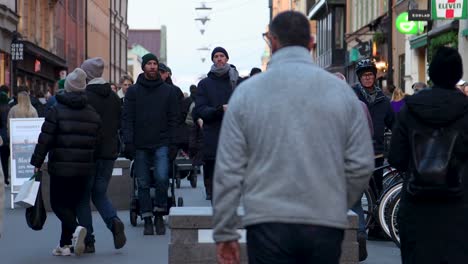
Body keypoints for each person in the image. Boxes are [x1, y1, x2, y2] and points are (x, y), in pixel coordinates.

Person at [212, 11, 374, 264]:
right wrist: (336, 201)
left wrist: (225, 231)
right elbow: (362, 163)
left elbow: (228, 169)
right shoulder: (341, 93)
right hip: (324, 221)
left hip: (267, 221)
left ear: (272, 41)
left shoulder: (246, 94)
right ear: (311, 43)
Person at [388, 47, 468, 264]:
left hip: (417, 206)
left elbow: (395, 156)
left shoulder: (409, 110)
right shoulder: (465, 109)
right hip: (460, 208)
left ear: (431, 74)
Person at [30, 68, 101, 256]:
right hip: (84, 169)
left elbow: (45, 138)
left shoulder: (56, 110)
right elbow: (97, 143)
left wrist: (36, 161)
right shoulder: (92, 113)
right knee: (71, 204)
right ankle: (65, 245)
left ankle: (77, 229)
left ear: (67, 88)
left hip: (61, 167)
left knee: (59, 204)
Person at [121, 53, 178, 236]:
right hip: (140, 144)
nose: (152, 67)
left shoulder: (167, 92)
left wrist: (173, 143)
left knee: (162, 179)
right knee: (143, 183)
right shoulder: (134, 91)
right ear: (144, 67)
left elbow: (173, 119)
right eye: (149, 64)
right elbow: (127, 118)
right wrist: (128, 142)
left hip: (161, 142)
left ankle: (160, 214)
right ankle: (146, 217)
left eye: (155, 64)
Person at [75, 57, 126, 253]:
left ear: (87, 75)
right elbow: (119, 124)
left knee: (82, 197)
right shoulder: (114, 97)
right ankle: (113, 221)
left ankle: (89, 240)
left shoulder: (84, 96)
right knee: (99, 193)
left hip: (89, 154)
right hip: (109, 153)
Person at [335, 71, 373, 261]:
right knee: (356, 201)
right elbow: (369, 132)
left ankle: (340, 241)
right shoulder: (361, 106)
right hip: (356, 161)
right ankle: (359, 234)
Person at [194, 46, 239, 201]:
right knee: (212, 171)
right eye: (216, 56)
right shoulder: (204, 84)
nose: (219, 59)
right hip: (212, 133)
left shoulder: (236, 82)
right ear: (212, 60)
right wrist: (219, 110)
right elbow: (200, 109)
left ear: (227, 59)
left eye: (222, 56)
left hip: (233, 134)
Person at [352, 59, 394, 196]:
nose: (368, 78)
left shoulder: (384, 100)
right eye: (365, 75)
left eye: (370, 74)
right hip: (357, 150)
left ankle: (376, 215)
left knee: (377, 187)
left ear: (375, 76)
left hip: (377, 151)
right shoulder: (351, 95)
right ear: (360, 78)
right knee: (357, 189)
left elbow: (394, 122)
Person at [0, 92, 10, 185]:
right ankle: (6, 177)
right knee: (5, 160)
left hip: (1, 136)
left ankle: (3, 177)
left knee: (2, 160)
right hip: (8, 136)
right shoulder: (9, 108)